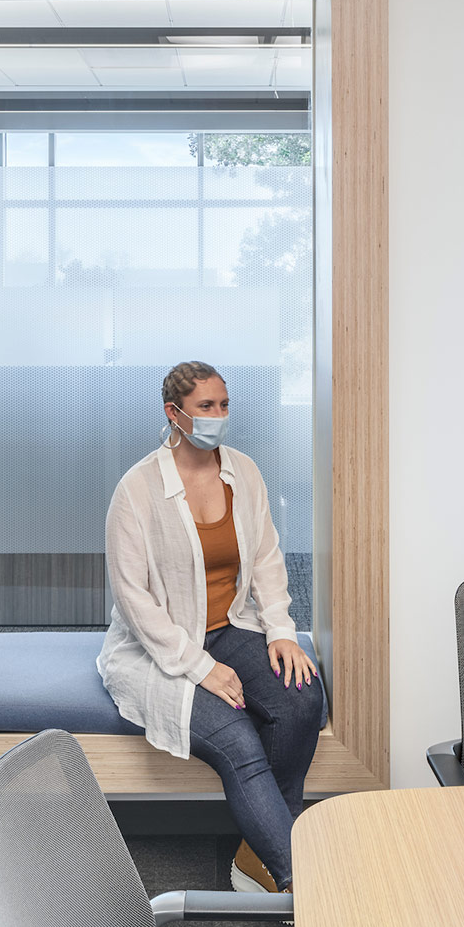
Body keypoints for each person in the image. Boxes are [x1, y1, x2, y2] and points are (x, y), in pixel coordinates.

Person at [96, 360, 326, 896]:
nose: (218, 416)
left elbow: (267, 558)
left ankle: (259, 852)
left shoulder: (243, 472)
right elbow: (134, 601)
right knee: (238, 739)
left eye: (224, 405)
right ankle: (301, 883)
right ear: (173, 414)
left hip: (231, 628)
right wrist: (201, 668)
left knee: (301, 698)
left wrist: (282, 633)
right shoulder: (136, 490)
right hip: (160, 649)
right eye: (206, 407)